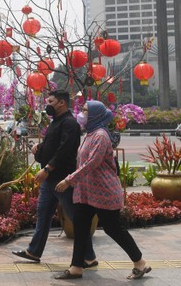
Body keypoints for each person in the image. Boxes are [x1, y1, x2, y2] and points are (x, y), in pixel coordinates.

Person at [54, 101, 151, 280]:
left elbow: (92, 163)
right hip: (86, 193)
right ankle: (76, 267)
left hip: (104, 193)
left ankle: (139, 262)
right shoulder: (90, 134)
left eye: (85, 111)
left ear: (95, 115)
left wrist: (69, 180)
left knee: (113, 228)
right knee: (80, 227)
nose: (81, 113)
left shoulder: (100, 136)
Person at [12, 90, 97, 267]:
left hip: (63, 181)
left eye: (50, 101)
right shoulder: (56, 122)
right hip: (50, 181)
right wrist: (39, 147)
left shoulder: (70, 124)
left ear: (61, 103)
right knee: (43, 215)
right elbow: (53, 144)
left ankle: (89, 256)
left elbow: (65, 151)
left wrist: (48, 169)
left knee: (76, 218)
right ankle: (34, 251)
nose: (47, 105)